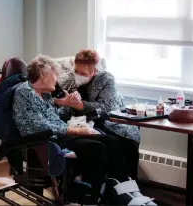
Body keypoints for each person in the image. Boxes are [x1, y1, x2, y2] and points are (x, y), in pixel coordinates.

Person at [12, 54, 156, 205]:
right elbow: (39, 126)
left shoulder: (44, 94)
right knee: (96, 147)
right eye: (55, 74)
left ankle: (126, 189)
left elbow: (55, 117)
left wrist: (68, 103)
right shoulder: (25, 93)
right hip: (45, 140)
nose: (57, 78)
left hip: (59, 133)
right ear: (43, 74)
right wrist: (75, 131)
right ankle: (93, 197)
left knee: (111, 140)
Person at [56, 49, 140, 180]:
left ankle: (124, 184)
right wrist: (65, 103)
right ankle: (108, 184)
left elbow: (105, 108)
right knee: (109, 143)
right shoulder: (66, 80)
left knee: (126, 143)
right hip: (78, 122)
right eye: (76, 71)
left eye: (83, 73)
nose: (77, 75)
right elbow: (55, 102)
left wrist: (76, 104)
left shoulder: (105, 79)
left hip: (106, 119)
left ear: (94, 72)